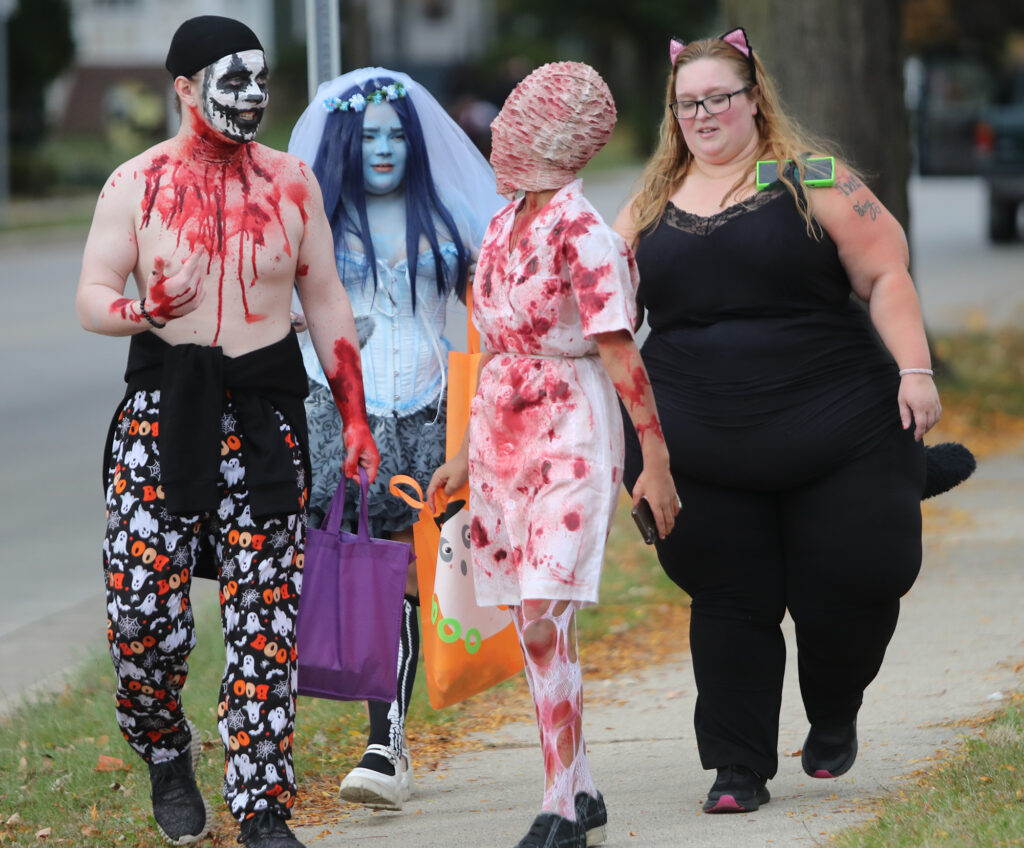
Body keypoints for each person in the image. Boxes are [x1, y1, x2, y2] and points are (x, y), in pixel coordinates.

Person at [613, 27, 943, 814]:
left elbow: (885, 272)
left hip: (840, 430)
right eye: (687, 103)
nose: (702, 114)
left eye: (718, 98)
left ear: (755, 98)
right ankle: (737, 768)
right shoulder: (649, 201)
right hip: (700, 445)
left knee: (855, 579)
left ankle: (833, 708)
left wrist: (916, 369)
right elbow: (605, 323)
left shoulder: (809, 176)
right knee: (730, 600)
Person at [75, 16, 379, 848]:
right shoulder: (134, 183)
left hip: (264, 420)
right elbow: (92, 295)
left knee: (263, 621)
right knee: (141, 618)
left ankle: (263, 808)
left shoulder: (292, 182)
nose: (252, 96)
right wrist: (143, 309)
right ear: (184, 88)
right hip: (162, 417)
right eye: (232, 80)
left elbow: (325, 299)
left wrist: (354, 413)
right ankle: (164, 745)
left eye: (260, 79)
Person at [429, 62, 680, 848]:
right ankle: (582, 788)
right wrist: (463, 453)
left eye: (518, 118)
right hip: (501, 434)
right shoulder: (500, 225)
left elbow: (618, 349)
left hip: (571, 426)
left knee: (544, 614)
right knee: (534, 620)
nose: (499, 129)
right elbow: (487, 342)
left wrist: (654, 460)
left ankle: (560, 805)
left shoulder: (585, 232)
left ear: (555, 136)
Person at [286, 69, 503, 810]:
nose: (383, 148)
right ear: (346, 140)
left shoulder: (449, 218)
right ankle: (279, 733)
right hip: (333, 415)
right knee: (343, 569)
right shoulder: (313, 216)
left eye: (397, 135)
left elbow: (493, 317)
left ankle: (387, 743)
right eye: (370, 135)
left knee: (407, 575)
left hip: (425, 416)